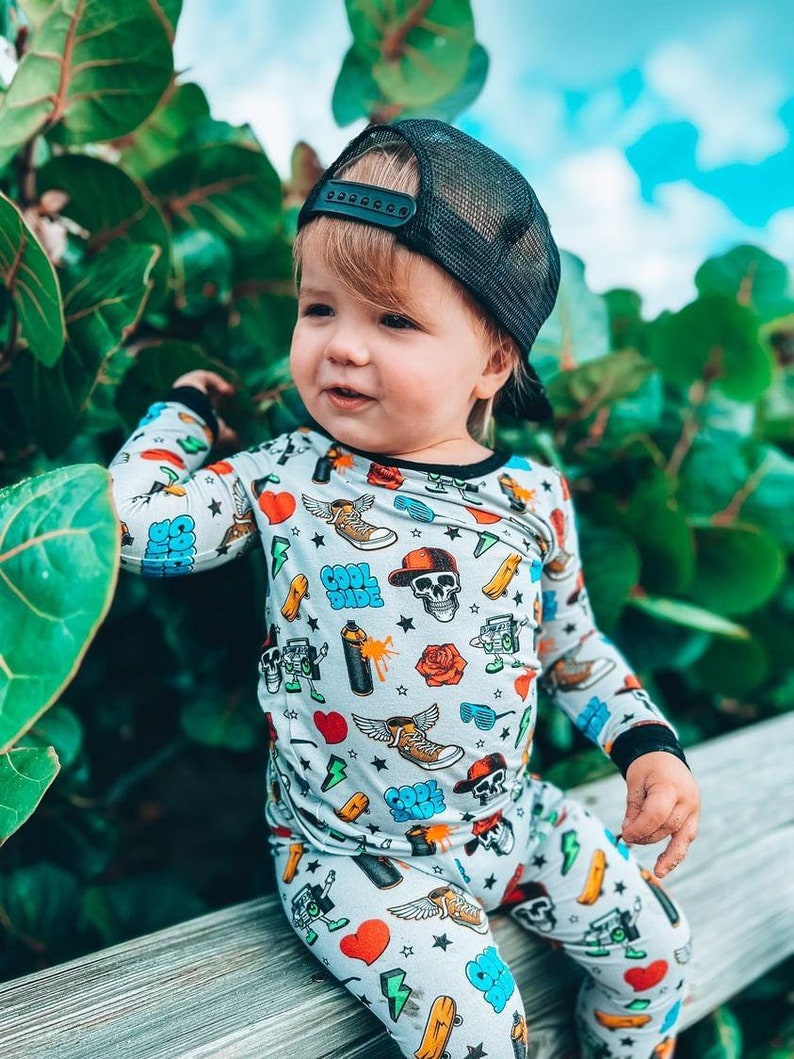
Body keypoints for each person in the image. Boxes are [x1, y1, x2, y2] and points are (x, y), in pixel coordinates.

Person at [109, 119, 700, 1059]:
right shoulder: (285, 475)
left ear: (494, 361)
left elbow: (572, 651)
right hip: (351, 856)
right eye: (319, 308)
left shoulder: (532, 498)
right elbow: (136, 529)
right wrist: (183, 414)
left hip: (510, 817)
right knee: (480, 1031)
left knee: (659, 952)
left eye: (393, 320)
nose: (343, 347)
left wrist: (647, 745)